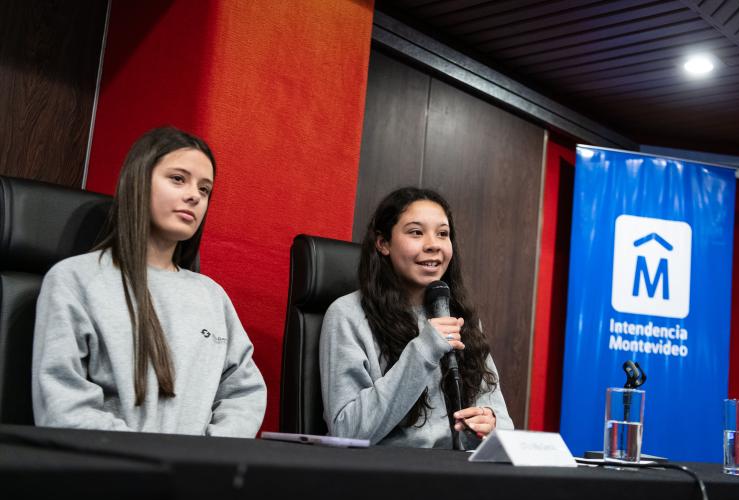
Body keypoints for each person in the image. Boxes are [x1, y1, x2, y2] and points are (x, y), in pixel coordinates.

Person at [32, 127, 266, 437]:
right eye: (178, 179)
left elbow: (244, 393)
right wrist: (155, 463)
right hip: (111, 475)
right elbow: (63, 406)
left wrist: (208, 458)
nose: (194, 195)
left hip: (199, 479)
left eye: (205, 188)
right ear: (139, 181)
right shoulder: (75, 280)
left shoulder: (212, 296)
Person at [320, 187, 513, 448]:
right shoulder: (347, 315)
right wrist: (424, 350)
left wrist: (489, 424)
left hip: (459, 472)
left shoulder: (460, 317)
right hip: (389, 476)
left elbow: (501, 419)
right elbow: (346, 432)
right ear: (383, 243)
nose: (433, 245)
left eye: (443, 234)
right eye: (416, 232)